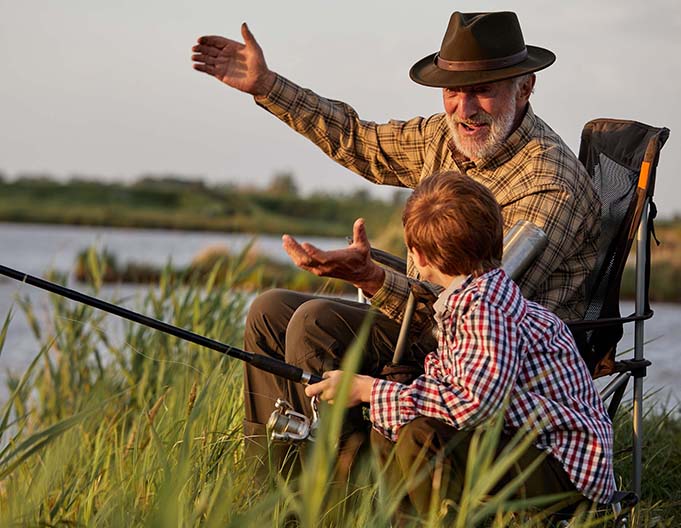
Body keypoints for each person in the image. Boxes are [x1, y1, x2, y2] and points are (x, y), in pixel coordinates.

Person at [191, 11, 601, 474]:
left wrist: (373, 277)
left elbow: (478, 309)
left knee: (316, 322)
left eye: (482, 91)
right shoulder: (442, 137)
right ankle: (269, 491)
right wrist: (267, 85)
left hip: (496, 359)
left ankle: (339, 500)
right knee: (268, 311)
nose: (464, 111)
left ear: (524, 88)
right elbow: (356, 139)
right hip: (437, 320)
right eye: (453, 91)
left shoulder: (549, 183)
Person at [305, 171, 615, 517]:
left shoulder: (485, 310)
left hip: (566, 475)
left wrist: (368, 390)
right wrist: (387, 401)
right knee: (394, 426)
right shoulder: (470, 300)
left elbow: (474, 404)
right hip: (528, 448)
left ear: (419, 257)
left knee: (421, 435)